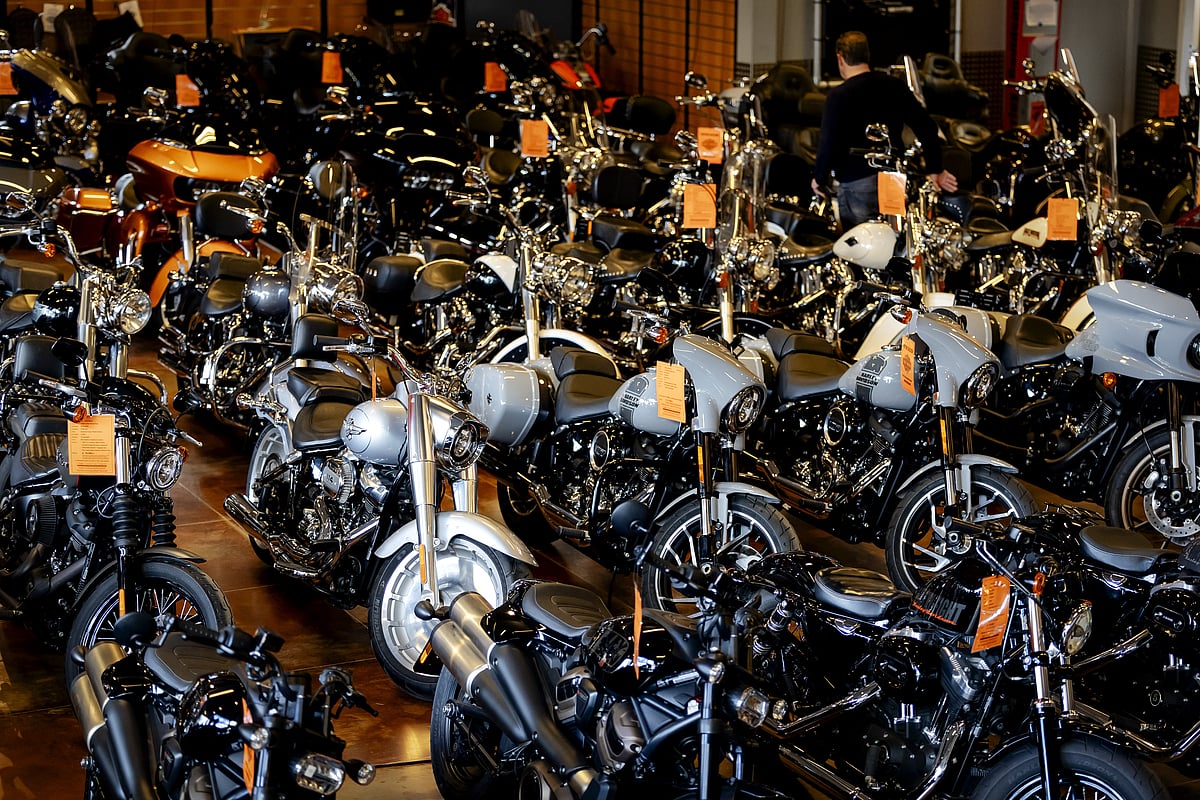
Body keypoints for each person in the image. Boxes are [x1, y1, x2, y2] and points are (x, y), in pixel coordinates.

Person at [811, 31, 958, 230]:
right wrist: (935, 168)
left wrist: (819, 178)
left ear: (840, 58)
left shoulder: (839, 96)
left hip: (856, 181)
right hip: (892, 178)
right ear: (867, 56)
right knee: (894, 240)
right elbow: (927, 127)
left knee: (862, 248)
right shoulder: (894, 86)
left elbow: (828, 143)